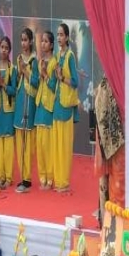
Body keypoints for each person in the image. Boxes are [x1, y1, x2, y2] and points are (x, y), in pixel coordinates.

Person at [50, 23, 79, 193]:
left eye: (61, 35)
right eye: (58, 34)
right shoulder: (57, 55)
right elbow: (54, 80)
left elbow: (75, 82)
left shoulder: (69, 56)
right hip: (57, 104)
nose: (59, 37)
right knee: (57, 145)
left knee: (65, 146)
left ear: (67, 37)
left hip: (66, 105)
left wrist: (62, 78)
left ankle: (64, 182)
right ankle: (58, 181)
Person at [94, 77, 125, 207]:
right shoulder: (107, 83)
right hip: (112, 140)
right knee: (110, 180)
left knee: (116, 178)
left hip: (116, 140)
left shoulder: (112, 82)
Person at [14, 28, 39, 193]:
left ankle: (27, 179)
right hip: (20, 98)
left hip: (29, 100)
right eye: (21, 40)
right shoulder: (18, 59)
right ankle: (22, 175)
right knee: (19, 139)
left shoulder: (34, 61)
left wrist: (25, 71)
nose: (23, 43)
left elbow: (36, 82)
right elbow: (16, 79)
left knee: (27, 142)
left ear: (31, 41)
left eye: (25, 40)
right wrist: (19, 72)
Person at [0, 36, 16, 190]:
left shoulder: (13, 69)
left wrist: (4, 85)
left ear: (9, 50)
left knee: (8, 148)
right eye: (2, 47)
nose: (4, 50)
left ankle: (9, 177)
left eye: (6, 48)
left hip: (9, 111)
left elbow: (14, 91)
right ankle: (1, 176)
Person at [34, 31, 56, 190]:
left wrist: (45, 75)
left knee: (48, 146)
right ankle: (42, 177)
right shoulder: (40, 61)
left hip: (49, 106)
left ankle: (50, 178)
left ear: (52, 45)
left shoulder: (55, 63)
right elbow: (37, 82)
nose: (43, 44)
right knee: (40, 145)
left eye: (46, 41)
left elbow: (54, 86)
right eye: (42, 41)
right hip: (39, 105)